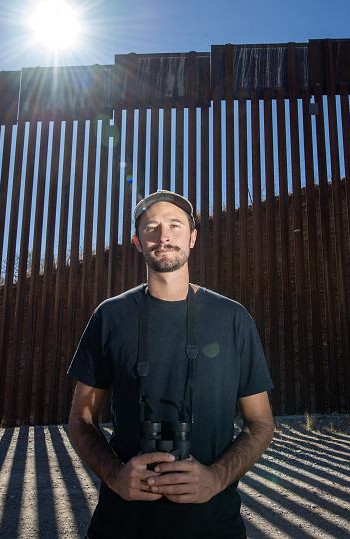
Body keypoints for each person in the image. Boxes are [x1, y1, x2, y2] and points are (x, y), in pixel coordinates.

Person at [67, 190, 274, 538]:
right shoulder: (110, 316)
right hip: (122, 527)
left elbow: (261, 423)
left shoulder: (233, 319)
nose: (163, 236)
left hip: (214, 526)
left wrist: (216, 479)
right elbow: (81, 418)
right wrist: (117, 477)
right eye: (152, 227)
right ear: (137, 242)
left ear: (192, 237)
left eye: (175, 226)